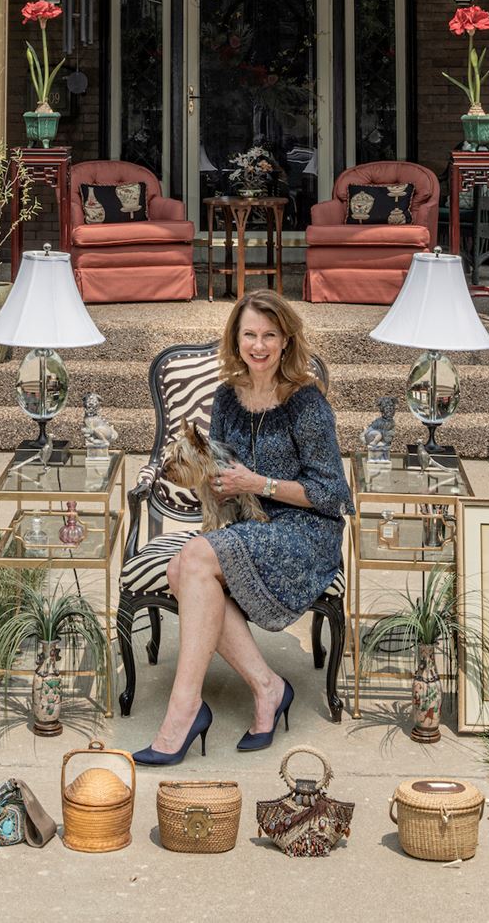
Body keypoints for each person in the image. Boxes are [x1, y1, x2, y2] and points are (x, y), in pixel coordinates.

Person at [136, 290, 350, 765]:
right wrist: (218, 482)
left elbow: (333, 494)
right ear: (236, 339)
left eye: (269, 335)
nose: (259, 345)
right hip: (248, 526)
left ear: (286, 340)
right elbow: (217, 466)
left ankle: (184, 711)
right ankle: (267, 687)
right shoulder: (226, 397)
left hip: (304, 533)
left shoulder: (306, 402)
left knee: (188, 562)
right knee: (181, 570)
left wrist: (260, 483)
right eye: (249, 334)